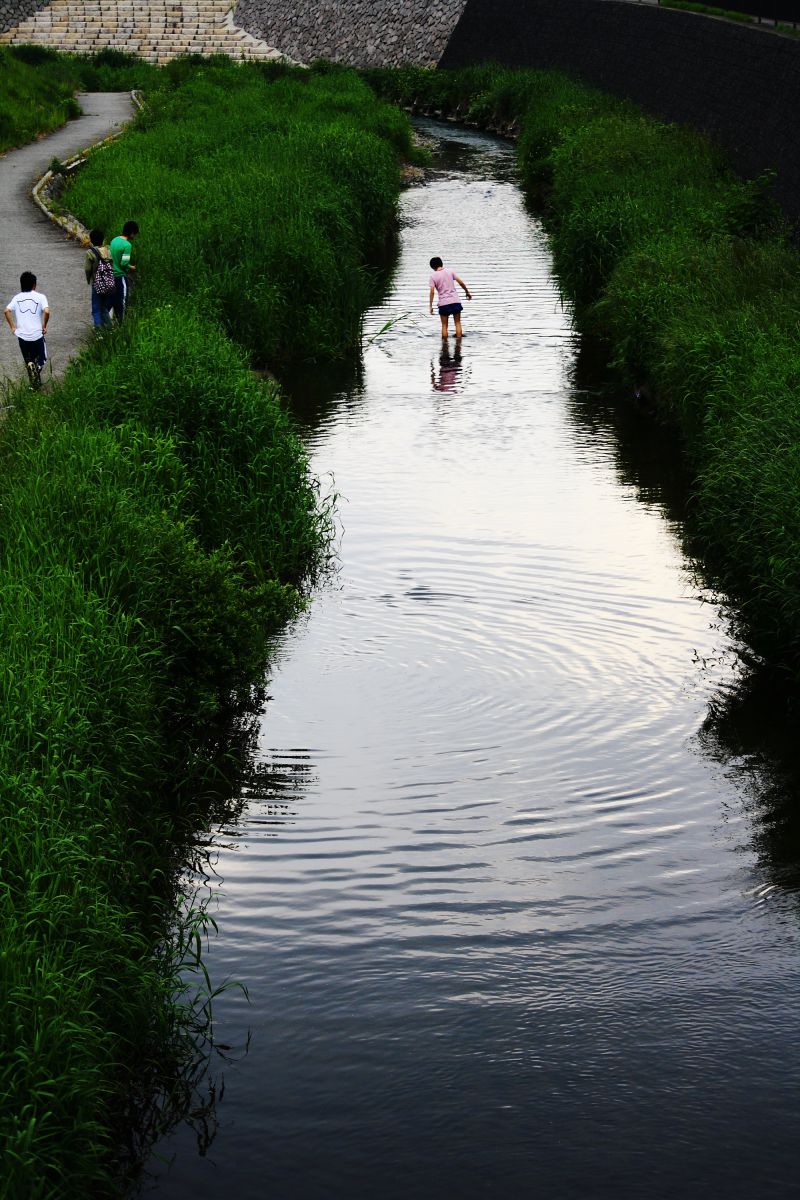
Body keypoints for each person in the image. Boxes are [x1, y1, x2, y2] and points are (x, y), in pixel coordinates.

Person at [4, 271, 49, 389]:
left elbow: (6, 311)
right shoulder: (40, 297)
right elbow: (47, 311)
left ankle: (34, 386)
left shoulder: (17, 298)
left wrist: (13, 327)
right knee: (42, 359)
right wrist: (44, 325)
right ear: (34, 285)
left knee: (29, 362)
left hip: (22, 336)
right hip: (37, 335)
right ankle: (37, 371)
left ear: (21, 285)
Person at [428, 256, 472, 338]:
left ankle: (445, 346)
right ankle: (459, 344)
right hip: (455, 301)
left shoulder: (433, 276)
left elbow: (432, 292)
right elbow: (461, 283)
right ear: (441, 263)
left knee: (444, 326)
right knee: (457, 323)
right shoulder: (450, 271)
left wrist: (430, 306)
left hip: (443, 303)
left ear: (432, 267)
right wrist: (467, 292)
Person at [109, 220, 139, 322]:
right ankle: (122, 325)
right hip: (120, 276)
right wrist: (132, 268)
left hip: (110, 275)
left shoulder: (114, 240)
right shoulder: (127, 245)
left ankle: (108, 324)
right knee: (122, 301)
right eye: (135, 233)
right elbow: (124, 263)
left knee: (111, 300)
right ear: (131, 233)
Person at [84, 228, 113, 329]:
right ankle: (110, 328)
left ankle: (99, 332)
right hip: (109, 283)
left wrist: (89, 279)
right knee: (104, 307)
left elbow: (87, 269)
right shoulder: (108, 250)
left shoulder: (90, 252)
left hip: (97, 283)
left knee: (96, 309)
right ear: (103, 239)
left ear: (91, 240)